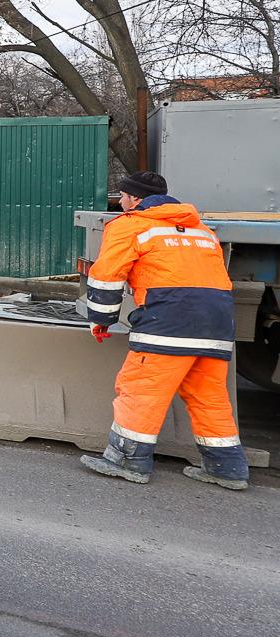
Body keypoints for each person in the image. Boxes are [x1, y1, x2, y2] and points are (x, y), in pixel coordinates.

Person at [79, 171, 248, 491]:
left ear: (135, 200)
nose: (121, 201)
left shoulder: (130, 226)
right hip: (217, 323)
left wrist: (100, 319)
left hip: (168, 321)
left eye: (124, 196)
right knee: (209, 396)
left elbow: (107, 276)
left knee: (142, 388)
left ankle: (127, 460)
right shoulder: (202, 231)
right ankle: (228, 467)